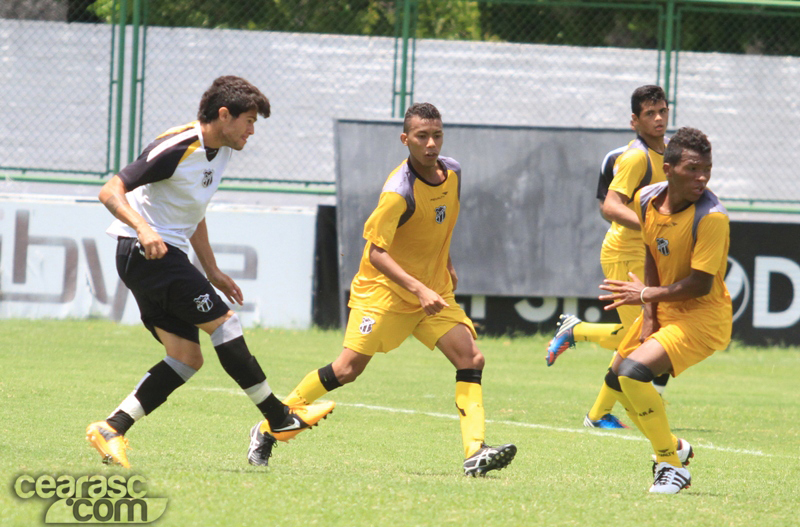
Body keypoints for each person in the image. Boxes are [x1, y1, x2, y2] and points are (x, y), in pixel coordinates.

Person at [249, 102, 516, 476]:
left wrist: (446, 264)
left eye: (436, 135)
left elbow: (440, 225)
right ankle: (269, 426)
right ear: (405, 139)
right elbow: (376, 253)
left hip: (431, 291)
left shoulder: (452, 172)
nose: (430, 144)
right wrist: (418, 289)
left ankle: (475, 450)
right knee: (346, 370)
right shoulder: (397, 192)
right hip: (384, 292)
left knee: (471, 358)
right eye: (421, 137)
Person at [86, 76, 334, 469]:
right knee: (226, 325)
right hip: (147, 252)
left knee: (185, 357)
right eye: (249, 121)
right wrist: (144, 228)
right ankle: (278, 417)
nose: (252, 131)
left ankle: (111, 428)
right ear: (224, 115)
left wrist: (212, 269)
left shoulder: (222, 151)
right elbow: (109, 190)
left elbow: (193, 210)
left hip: (161, 256)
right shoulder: (178, 146)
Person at [599, 126, 731, 493]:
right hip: (665, 309)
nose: (701, 177)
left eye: (707, 168)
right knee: (618, 385)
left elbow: (699, 284)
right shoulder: (644, 199)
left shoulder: (712, 218)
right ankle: (674, 448)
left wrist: (644, 296)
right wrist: (650, 318)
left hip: (702, 318)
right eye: (692, 168)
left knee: (633, 374)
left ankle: (671, 467)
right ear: (669, 168)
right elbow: (651, 253)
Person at [546, 85, 671, 428]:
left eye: (662, 111)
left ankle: (577, 334)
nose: (658, 118)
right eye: (650, 113)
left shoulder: (668, 155)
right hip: (625, 253)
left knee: (644, 335)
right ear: (634, 120)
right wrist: (650, 227)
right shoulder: (635, 157)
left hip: (646, 255)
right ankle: (598, 413)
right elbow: (610, 206)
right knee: (645, 336)